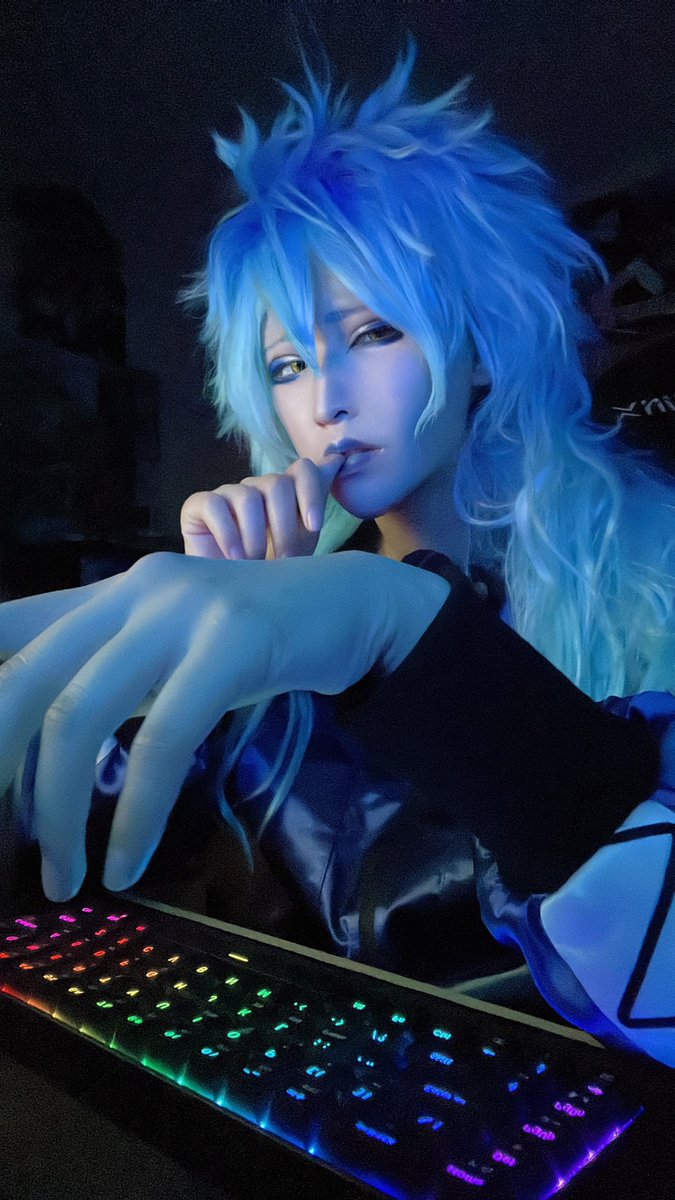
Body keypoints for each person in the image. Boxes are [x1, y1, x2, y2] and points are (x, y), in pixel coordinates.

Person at [1, 42, 674, 1066]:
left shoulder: (646, 570)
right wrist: (202, 699)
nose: (325, 400)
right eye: (286, 364)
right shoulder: (260, 576)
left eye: (372, 335)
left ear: (481, 345)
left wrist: (409, 638)